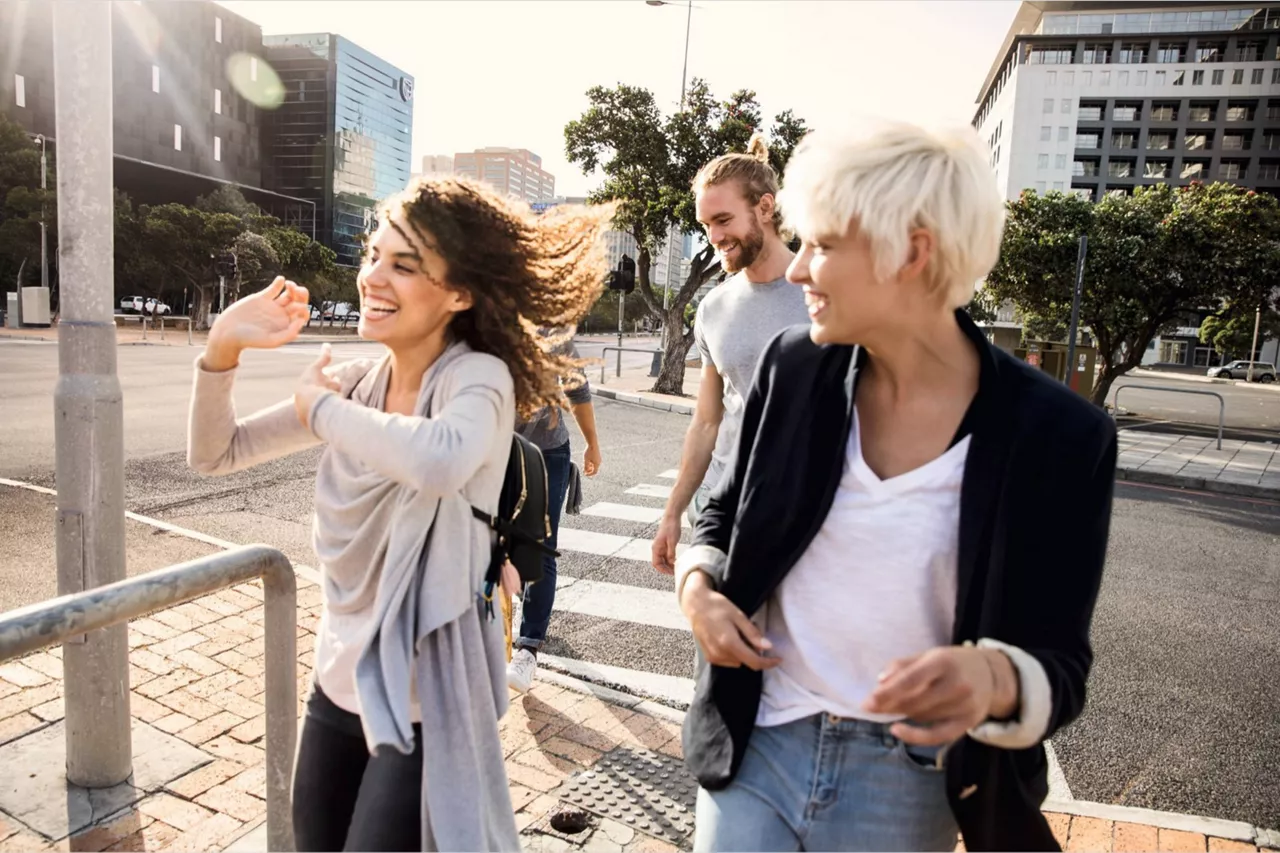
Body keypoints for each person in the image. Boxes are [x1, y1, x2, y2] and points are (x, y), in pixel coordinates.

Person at [673, 120, 1118, 852]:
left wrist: (991, 674)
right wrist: (698, 590)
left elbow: (1061, 663)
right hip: (759, 740)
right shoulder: (793, 368)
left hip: (911, 777)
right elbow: (720, 508)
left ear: (911, 251)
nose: (797, 270)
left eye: (823, 245)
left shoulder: (1061, 436)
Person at [187, 177, 612, 852]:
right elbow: (217, 453)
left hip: (427, 706)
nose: (373, 277)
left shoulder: (478, 379)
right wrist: (221, 349)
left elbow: (439, 459)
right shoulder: (357, 383)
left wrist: (320, 410)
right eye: (373, 257)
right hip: (339, 681)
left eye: (403, 265)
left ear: (460, 293)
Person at [651, 134, 810, 574]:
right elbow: (706, 421)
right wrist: (672, 512)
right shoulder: (713, 308)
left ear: (765, 207)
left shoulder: (822, 293)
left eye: (723, 220)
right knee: (715, 643)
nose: (715, 237)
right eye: (706, 226)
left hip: (798, 520)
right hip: (719, 513)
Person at [507, 336, 602, 692]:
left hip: (547, 452)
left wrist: (592, 442)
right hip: (490, 447)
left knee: (540, 547)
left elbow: (577, 388)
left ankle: (528, 648)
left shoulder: (552, 327)